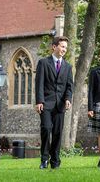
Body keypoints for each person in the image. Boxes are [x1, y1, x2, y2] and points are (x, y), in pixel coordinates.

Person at [35, 36, 73, 170]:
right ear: (54, 46)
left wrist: (68, 99)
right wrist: (39, 101)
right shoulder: (43, 63)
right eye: (62, 46)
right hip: (45, 103)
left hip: (60, 105)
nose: (64, 50)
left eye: (66, 48)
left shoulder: (68, 67)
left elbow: (69, 86)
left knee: (57, 133)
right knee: (46, 128)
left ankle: (55, 161)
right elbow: (39, 83)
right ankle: (44, 159)